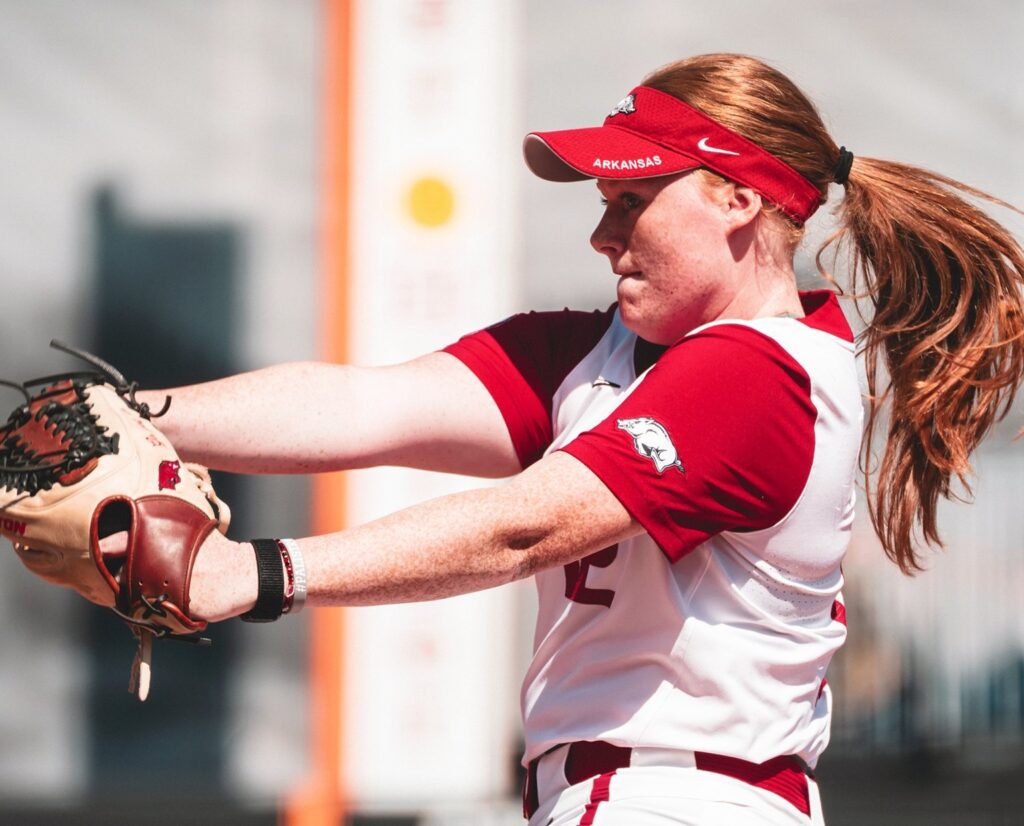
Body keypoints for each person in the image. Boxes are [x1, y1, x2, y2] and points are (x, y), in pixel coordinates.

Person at [122, 53, 1024, 825]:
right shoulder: (599, 352)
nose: (603, 234)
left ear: (739, 199)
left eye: (634, 200)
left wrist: (259, 575)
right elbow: (362, 406)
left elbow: (524, 528)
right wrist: (123, 417)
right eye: (604, 200)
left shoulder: (760, 374)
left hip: (682, 801)